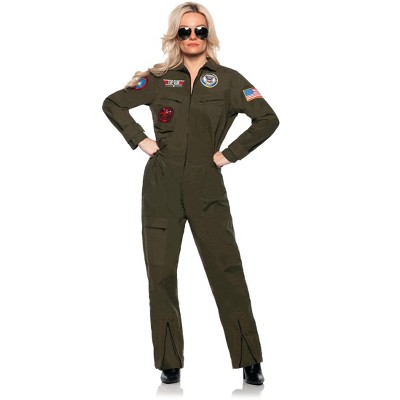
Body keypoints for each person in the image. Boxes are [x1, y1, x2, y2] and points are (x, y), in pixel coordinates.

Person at [102, 1, 279, 386]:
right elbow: (113, 104)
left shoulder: (229, 80)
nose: (193, 36)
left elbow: (267, 118)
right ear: (175, 35)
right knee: (161, 273)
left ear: (208, 34)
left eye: (200, 30)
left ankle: (249, 359)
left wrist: (230, 154)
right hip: (161, 185)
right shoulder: (158, 79)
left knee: (227, 270)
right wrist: (140, 139)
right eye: (185, 30)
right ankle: (169, 362)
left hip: (206, 184)